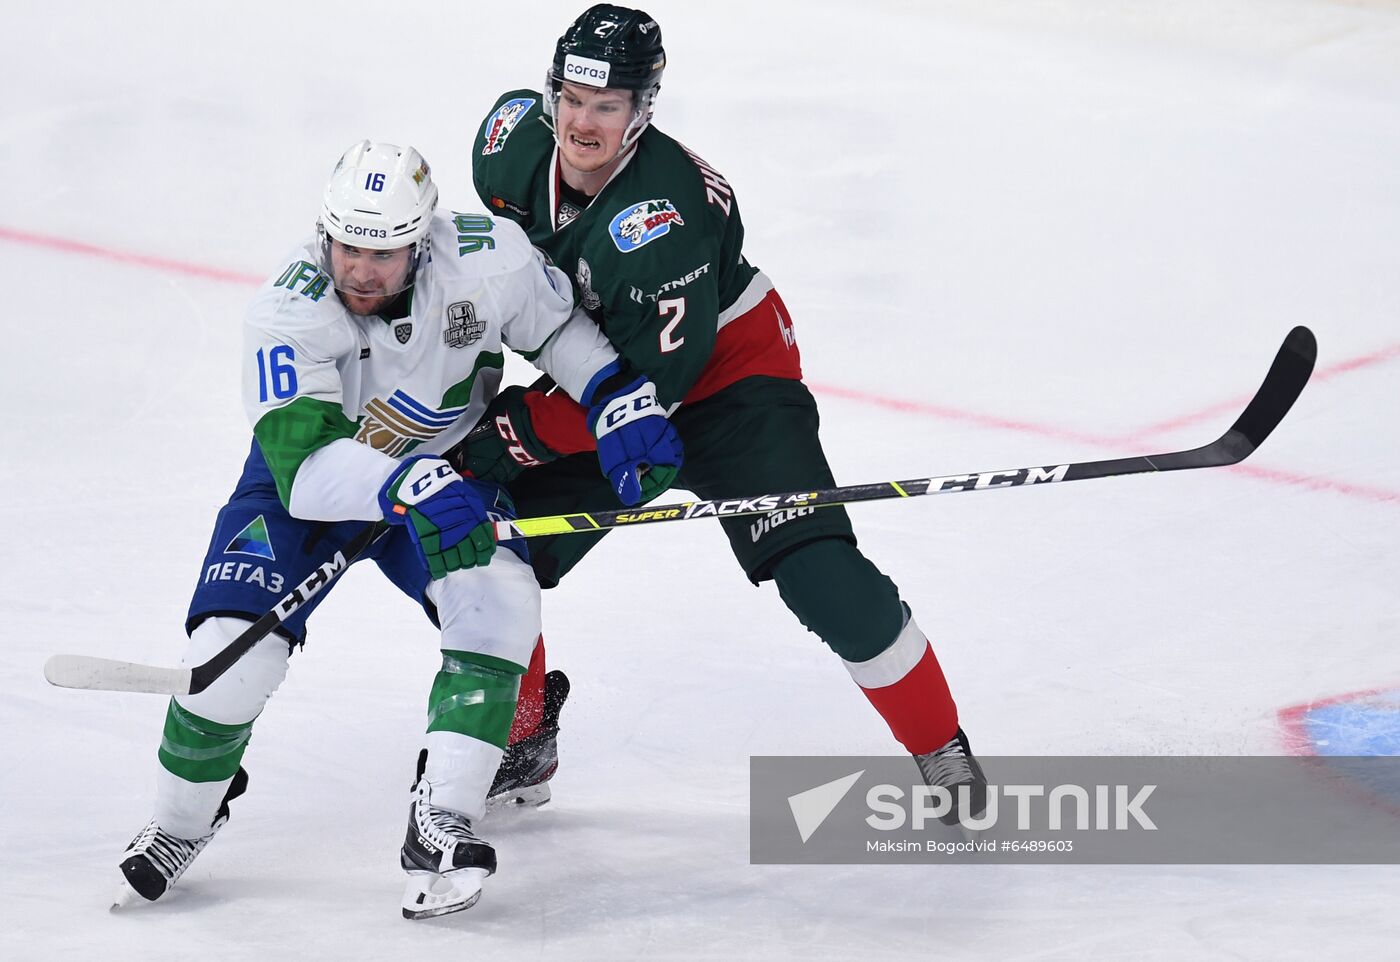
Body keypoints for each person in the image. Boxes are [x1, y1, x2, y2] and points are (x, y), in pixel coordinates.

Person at [114, 140, 682, 919]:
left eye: (383, 253)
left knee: (503, 600)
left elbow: (556, 331)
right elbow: (306, 471)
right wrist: (399, 483)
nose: (360, 270)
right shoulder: (287, 312)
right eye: (348, 246)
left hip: (445, 472)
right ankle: (181, 822)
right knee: (229, 656)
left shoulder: (488, 259)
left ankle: (441, 819)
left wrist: (614, 397)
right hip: (311, 481)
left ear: (422, 241)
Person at [461, 4, 988, 821]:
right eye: (571, 98)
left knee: (819, 574)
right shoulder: (507, 143)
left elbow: (651, 392)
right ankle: (524, 737)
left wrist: (521, 431)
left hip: (729, 387)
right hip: (603, 379)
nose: (582, 123)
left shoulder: (664, 214)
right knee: (484, 539)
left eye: (607, 106)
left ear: (643, 110)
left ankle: (940, 745)